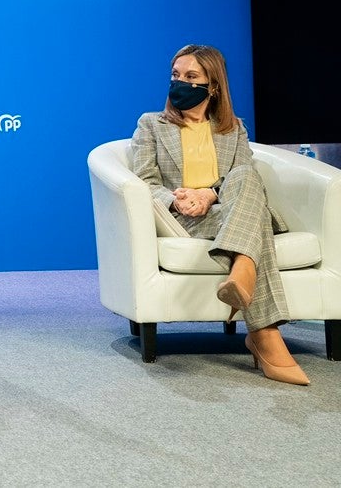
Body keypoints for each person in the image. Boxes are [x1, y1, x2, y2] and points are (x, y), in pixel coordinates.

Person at [131, 43, 308, 386]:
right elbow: (144, 181)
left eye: (191, 76)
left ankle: (243, 270)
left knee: (244, 175)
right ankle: (264, 332)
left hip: (225, 208)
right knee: (254, 223)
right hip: (185, 217)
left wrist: (208, 193)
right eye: (175, 75)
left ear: (212, 86)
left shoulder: (234, 128)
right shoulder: (151, 124)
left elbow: (241, 179)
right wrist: (177, 199)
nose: (180, 82)